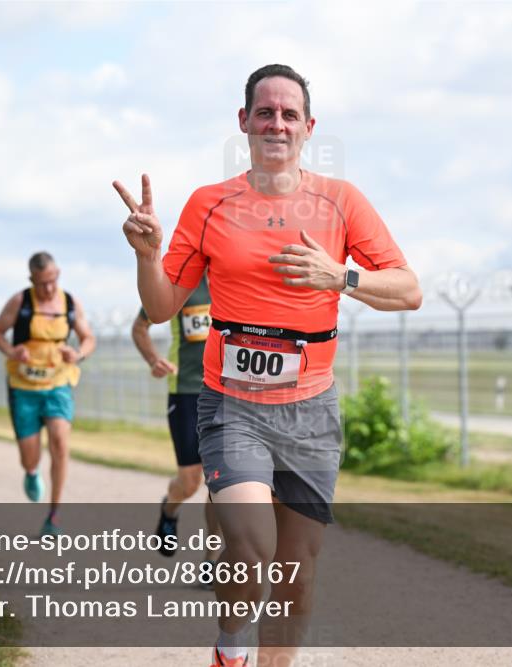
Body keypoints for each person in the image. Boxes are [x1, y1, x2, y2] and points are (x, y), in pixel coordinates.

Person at [115, 64, 421, 667]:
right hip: (233, 406)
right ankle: (231, 649)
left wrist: (343, 277)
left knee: (298, 575)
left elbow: (409, 290)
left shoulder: (342, 201)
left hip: (311, 411)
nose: (276, 123)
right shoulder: (210, 204)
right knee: (252, 549)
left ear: (308, 127)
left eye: (288, 114)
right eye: (264, 112)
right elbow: (160, 306)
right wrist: (149, 256)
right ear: (244, 122)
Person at [0, 252, 96, 536]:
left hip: (58, 383)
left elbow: (88, 338)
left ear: (57, 274)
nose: (48, 288)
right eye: (42, 283)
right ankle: (32, 471)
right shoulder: (20, 302)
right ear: (31, 280)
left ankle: (54, 515)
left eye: (52, 280)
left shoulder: (70, 302)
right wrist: (12, 351)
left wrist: (77, 354)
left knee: (60, 441)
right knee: (30, 456)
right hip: (23, 387)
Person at [131, 274, 222, 572]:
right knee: (190, 482)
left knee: (220, 483)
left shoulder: (234, 278)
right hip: (185, 392)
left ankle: (212, 561)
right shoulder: (180, 282)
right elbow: (140, 327)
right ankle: (170, 510)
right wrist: (153, 360)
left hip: (227, 393)